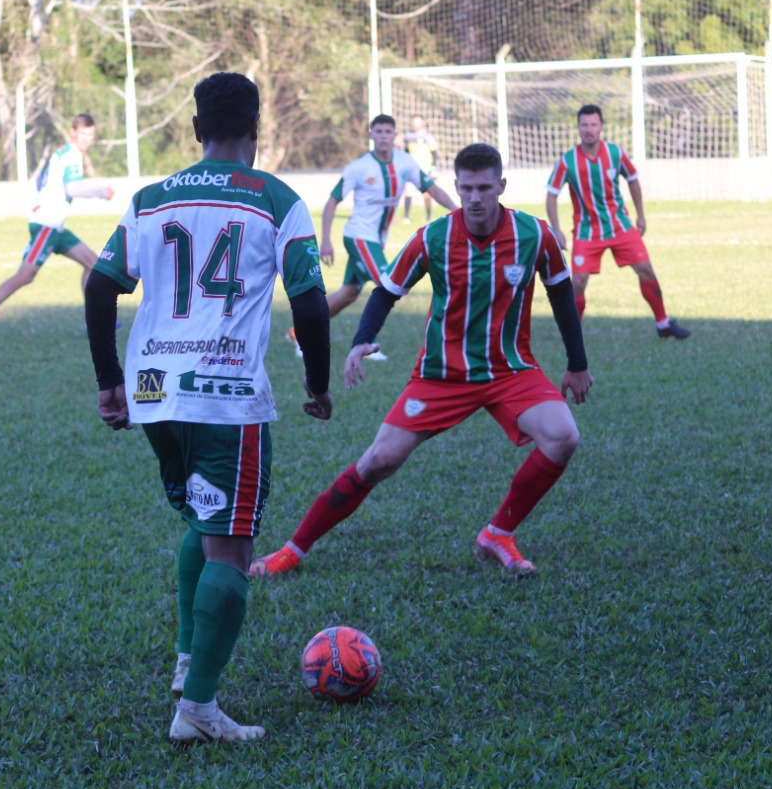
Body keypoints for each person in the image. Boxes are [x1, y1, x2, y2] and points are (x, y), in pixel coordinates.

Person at [84, 72, 333, 744]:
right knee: (232, 542)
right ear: (257, 129)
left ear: (195, 129)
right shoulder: (277, 199)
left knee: (203, 515)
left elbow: (100, 286)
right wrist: (317, 383)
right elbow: (310, 302)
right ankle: (197, 709)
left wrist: (109, 381)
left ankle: (187, 658)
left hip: (153, 392)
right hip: (224, 395)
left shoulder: (150, 199)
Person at [252, 143, 591, 580]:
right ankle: (292, 550)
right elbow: (386, 292)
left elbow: (561, 293)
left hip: (510, 370)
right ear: (457, 187)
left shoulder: (534, 235)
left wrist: (577, 363)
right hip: (441, 375)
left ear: (501, 186)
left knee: (563, 436)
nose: (475, 198)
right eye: (467, 188)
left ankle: (498, 533)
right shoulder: (434, 237)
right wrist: (362, 340)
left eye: (484, 188)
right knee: (378, 461)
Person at [287, 114, 457, 361]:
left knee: (347, 295)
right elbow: (332, 201)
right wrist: (325, 240)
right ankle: (364, 344)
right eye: (379, 132)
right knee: (388, 284)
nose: (384, 136)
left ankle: (297, 333)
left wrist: (456, 211)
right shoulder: (359, 168)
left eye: (388, 132)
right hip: (359, 237)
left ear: (395, 135)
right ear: (371, 135)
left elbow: (431, 188)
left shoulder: (405, 162)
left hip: (376, 240)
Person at [0, 113, 115, 348]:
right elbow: (73, 188)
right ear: (73, 132)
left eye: (90, 135)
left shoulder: (63, 154)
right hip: (47, 224)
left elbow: (44, 184)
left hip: (54, 225)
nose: (87, 139)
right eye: (83, 134)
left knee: (92, 263)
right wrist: (101, 191)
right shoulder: (71, 156)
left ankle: (93, 322)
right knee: (25, 275)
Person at [545, 104, 691, 340]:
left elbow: (633, 179)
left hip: (620, 226)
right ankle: (572, 336)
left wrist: (640, 214)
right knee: (578, 282)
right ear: (578, 128)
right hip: (587, 231)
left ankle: (663, 323)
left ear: (601, 127)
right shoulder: (567, 161)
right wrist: (556, 229)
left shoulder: (615, 153)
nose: (589, 129)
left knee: (646, 269)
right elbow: (551, 194)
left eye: (594, 124)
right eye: (584, 125)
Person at [401, 116, 438, 224]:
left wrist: (433, 167)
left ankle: (428, 217)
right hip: (412, 170)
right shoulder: (408, 136)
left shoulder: (428, 136)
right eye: (414, 122)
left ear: (423, 122)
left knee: (427, 194)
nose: (415, 124)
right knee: (408, 192)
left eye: (418, 122)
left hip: (425, 170)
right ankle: (406, 217)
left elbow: (434, 152)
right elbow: (406, 152)